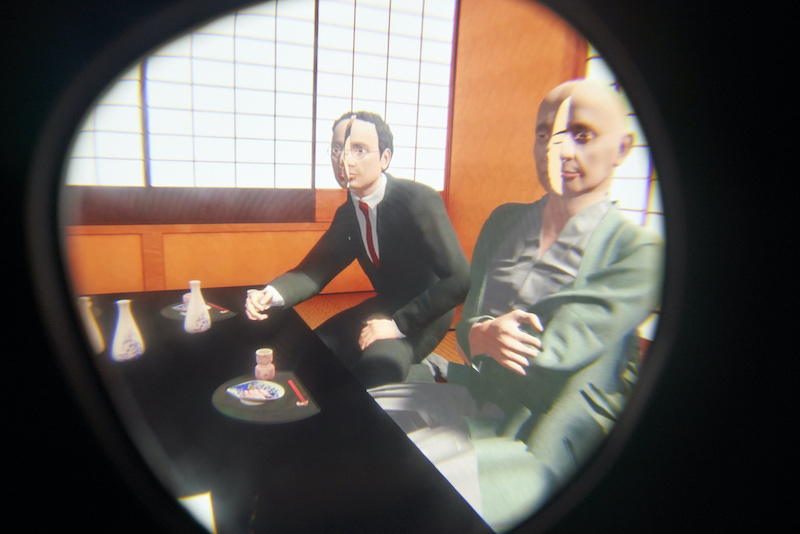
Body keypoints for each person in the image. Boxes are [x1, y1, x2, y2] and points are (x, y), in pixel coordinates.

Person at [370, 79, 664, 530]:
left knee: (413, 489)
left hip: (555, 428)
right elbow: (468, 328)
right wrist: (480, 333)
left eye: (581, 134)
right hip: (485, 390)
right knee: (364, 418)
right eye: (546, 134)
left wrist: (485, 334)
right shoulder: (505, 220)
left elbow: (556, 346)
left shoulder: (639, 251)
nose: (558, 150)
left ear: (622, 147)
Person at [245, 111, 470, 388]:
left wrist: (397, 326)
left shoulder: (418, 200)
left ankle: (426, 370)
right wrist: (270, 294)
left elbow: (461, 278)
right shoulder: (348, 213)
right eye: (337, 149)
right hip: (385, 304)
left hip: (426, 313)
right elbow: (313, 273)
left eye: (359, 150)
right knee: (310, 353)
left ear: (384, 159)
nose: (345, 160)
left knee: (376, 372)